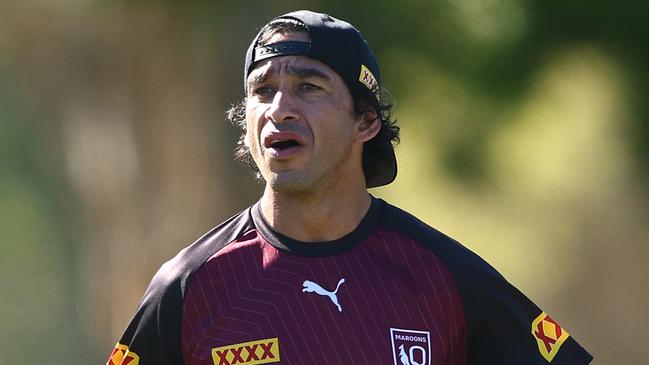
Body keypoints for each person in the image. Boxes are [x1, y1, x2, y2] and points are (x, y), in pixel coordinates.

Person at [107, 10, 592, 365]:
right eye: (262, 90)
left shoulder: (443, 274)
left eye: (309, 87)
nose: (279, 108)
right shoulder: (190, 287)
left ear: (365, 121)